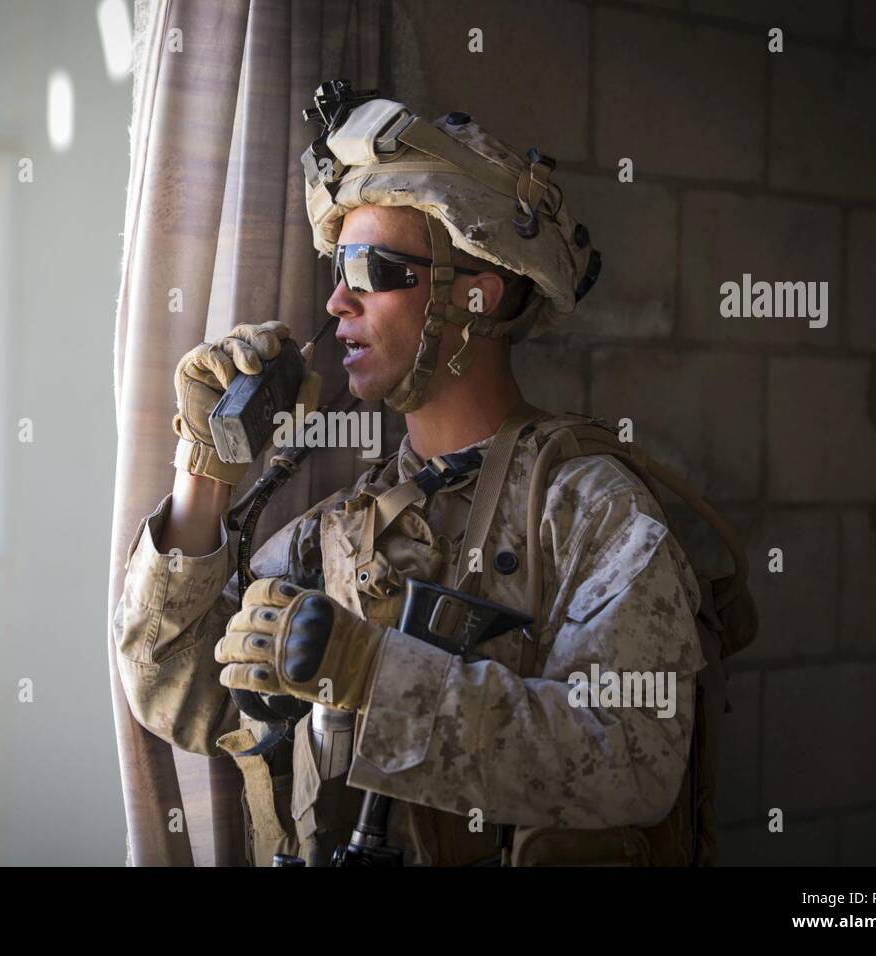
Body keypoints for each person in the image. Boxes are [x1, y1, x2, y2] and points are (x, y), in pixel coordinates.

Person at [113, 88, 717, 866]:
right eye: (339, 267)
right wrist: (206, 467)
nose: (338, 300)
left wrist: (372, 672)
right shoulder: (348, 525)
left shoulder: (587, 510)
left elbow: (634, 760)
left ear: (477, 294)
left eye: (373, 268)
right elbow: (183, 699)